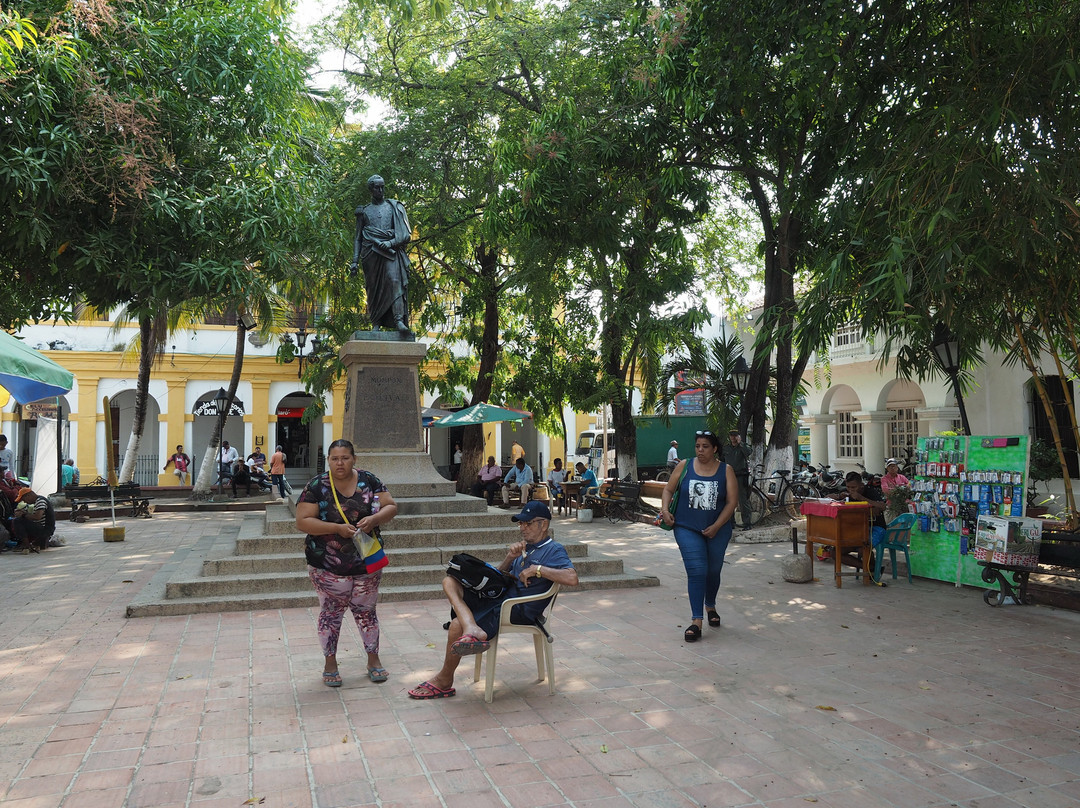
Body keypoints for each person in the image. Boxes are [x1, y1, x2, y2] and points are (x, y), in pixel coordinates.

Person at [408, 501, 578, 699]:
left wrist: (537, 570)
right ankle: (471, 626)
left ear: (544, 525)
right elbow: (500, 578)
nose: (522, 528)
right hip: (502, 600)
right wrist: (509, 558)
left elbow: (572, 578)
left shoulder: (554, 550)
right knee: (450, 581)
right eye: (520, 524)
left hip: (516, 609)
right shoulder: (526, 548)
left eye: (528, 523)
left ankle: (445, 680)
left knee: (456, 626)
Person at [295, 439, 398, 687]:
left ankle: (373, 660)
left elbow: (391, 506)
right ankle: (330, 663)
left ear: (354, 459)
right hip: (327, 564)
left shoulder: (369, 480)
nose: (340, 463)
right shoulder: (317, 485)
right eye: (335, 458)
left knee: (366, 612)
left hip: (365, 560)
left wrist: (374, 520)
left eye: (345, 458)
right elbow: (302, 521)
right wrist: (335, 528)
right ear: (328, 460)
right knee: (331, 613)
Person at [660, 430, 738, 643]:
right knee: (697, 570)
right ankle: (697, 621)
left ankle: (710, 605)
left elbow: (732, 502)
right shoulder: (684, 466)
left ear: (714, 449)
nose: (700, 450)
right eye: (697, 446)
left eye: (705, 446)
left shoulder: (726, 470)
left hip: (718, 529)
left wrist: (716, 525)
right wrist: (665, 510)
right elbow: (668, 490)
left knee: (713, 570)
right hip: (687, 527)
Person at [350, 174, 412, 337]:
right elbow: (358, 237)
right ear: (371, 189)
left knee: (394, 281)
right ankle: (376, 322)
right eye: (377, 187)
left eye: (382, 186)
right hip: (371, 254)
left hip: (391, 253)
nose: (381, 190)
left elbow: (405, 234)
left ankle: (399, 320)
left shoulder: (394, 207)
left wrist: (390, 243)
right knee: (373, 289)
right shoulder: (364, 212)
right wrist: (354, 261)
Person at [837, 471, 888, 546]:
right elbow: (828, 498)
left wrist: (861, 498)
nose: (850, 490)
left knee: (864, 548)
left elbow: (883, 506)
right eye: (848, 487)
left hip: (876, 527)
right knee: (836, 550)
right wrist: (839, 497)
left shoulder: (870, 491)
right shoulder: (847, 493)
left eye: (854, 487)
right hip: (858, 528)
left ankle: (869, 557)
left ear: (861, 485)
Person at [722, 430, 752, 530]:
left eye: (735, 436)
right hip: (729, 476)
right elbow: (722, 461)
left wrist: (741, 443)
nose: (733, 438)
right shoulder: (726, 448)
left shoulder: (743, 447)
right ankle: (731, 522)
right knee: (728, 500)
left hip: (740, 476)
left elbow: (748, 452)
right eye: (731, 436)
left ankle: (747, 523)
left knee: (743, 500)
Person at [11, 487, 55, 554]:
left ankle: (26, 546)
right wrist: (23, 512)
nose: (25, 502)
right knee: (19, 521)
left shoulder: (41, 501)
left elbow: (37, 517)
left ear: (28, 495)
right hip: (45, 529)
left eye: (24, 499)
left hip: (45, 530)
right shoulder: (38, 500)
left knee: (17, 521)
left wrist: (23, 515)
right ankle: (33, 544)